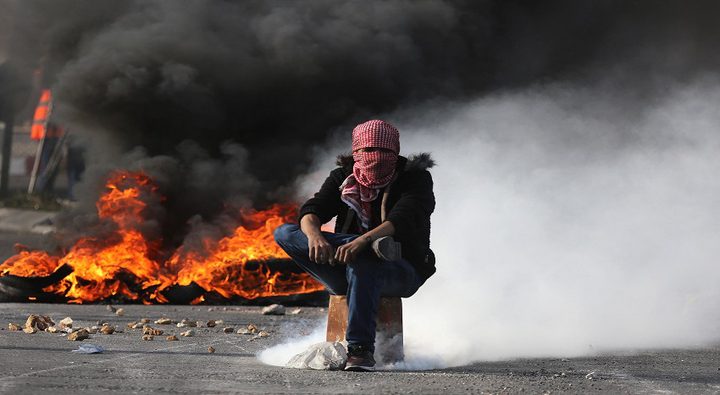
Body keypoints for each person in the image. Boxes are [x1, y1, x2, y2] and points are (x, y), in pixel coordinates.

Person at [274, 119, 436, 371]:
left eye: (384, 151)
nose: (375, 157)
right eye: (368, 151)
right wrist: (316, 236)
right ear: (356, 152)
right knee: (285, 232)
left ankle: (360, 350)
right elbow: (313, 210)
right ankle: (366, 249)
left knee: (365, 257)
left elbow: (403, 217)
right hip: (344, 259)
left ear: (395, 152)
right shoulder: (343, 176)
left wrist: (364, 241)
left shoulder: (415, 178)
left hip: (402, 267)